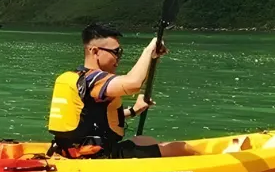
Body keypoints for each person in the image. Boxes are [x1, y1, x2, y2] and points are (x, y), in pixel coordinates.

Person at [47, 22, 199, 159]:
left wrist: (133, 110)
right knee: (184, 149)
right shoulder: (94, 79)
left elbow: (92, 119)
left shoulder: (77, 77)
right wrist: (149, 51)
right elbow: (133, 83)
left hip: (72, 151)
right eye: (116, 52)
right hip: (99, 156)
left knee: (145, 140)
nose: (119, 57)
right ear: (95, 51)